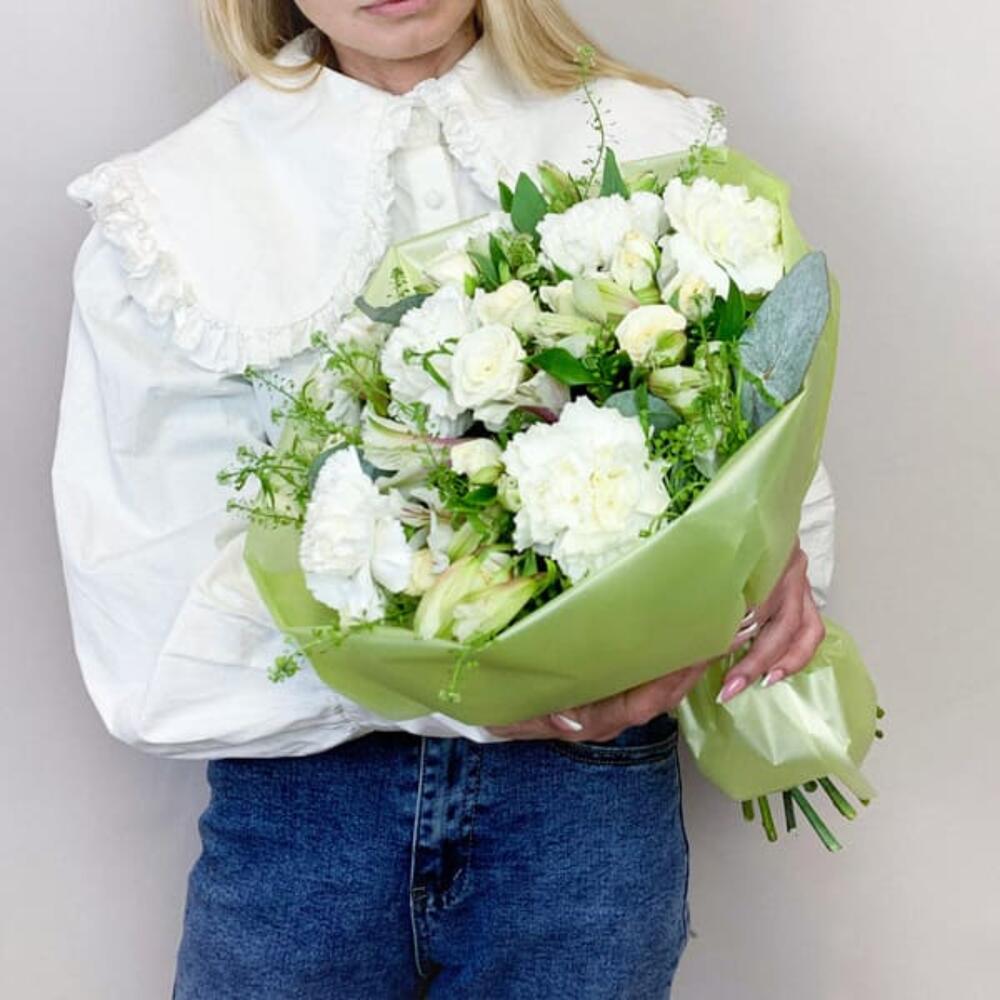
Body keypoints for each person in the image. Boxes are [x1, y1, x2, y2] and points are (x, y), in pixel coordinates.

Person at [51, 1, 835, 996]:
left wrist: (758, 575)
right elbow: (143, 626)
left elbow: (765, 453)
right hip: (306, 822)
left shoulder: (651, 142)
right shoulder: (173, 208)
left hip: (585, 812)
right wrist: (459, 688)